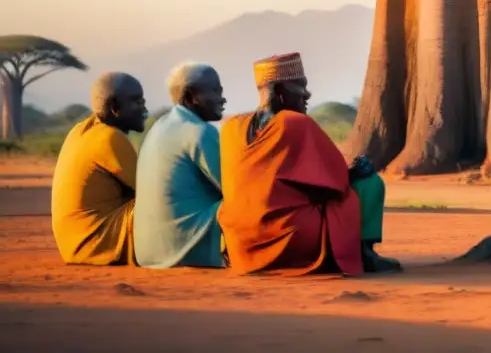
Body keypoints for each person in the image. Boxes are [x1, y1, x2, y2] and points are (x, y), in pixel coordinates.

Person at [218, 52, 401, 275]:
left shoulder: (230, 127)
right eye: (300, 86)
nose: (307, 94)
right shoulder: (295, 123)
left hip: (239, 243)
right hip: (288, 238)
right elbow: (335, 183)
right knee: (368, 184)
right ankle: (365, 254)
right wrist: (356, 172)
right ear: (281, 91)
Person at [134, 63, 227, 268]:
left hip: (147, 253)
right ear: (191, 96)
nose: (223, 98)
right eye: (215, 91)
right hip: (186, 251)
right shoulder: (199, 132)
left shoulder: (158, 127)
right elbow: (233, 188)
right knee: (252, 201)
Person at [51, 72, 148, 265]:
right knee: (168, 203)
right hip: (95, 242)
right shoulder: (110, 138)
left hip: (73, 244)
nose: (144, 109)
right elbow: (151, 193)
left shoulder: (80, 130)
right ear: (115, 108)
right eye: (137, 102)